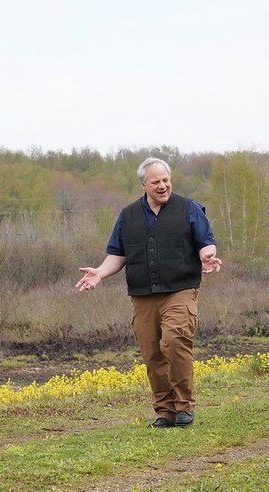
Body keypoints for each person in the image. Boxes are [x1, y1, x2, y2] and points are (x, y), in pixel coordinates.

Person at [76, 157, 221, 428]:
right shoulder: (127, 215)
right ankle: (165, 411)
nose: (163, 186)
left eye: (166, 180)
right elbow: (117, 255)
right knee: (152, 352)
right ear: (144, 184)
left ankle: (183, 406)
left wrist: (208, 257)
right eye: (156, 182)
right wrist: (99, 273)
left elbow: (205, 242)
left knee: (174, 341)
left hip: (180, 290)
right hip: (143, 296)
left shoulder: (189, 209)